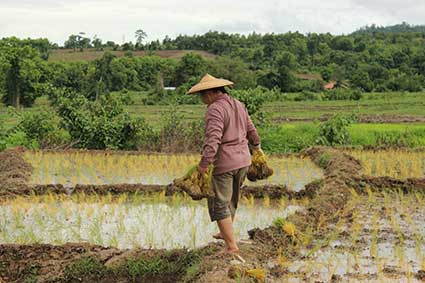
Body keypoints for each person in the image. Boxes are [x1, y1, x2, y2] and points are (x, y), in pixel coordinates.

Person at [187, 74, 261, 260]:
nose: (202, 100)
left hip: (225, 163)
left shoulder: (215, 109)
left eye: (202, 95)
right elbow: (251, 130)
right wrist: (257, 147)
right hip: (244, 160)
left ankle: (231, 247)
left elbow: (213, 139)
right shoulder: (238, 104)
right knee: (232, 199)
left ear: (211, 92)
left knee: (219, 203)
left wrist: (204, 164)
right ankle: (225, 232)